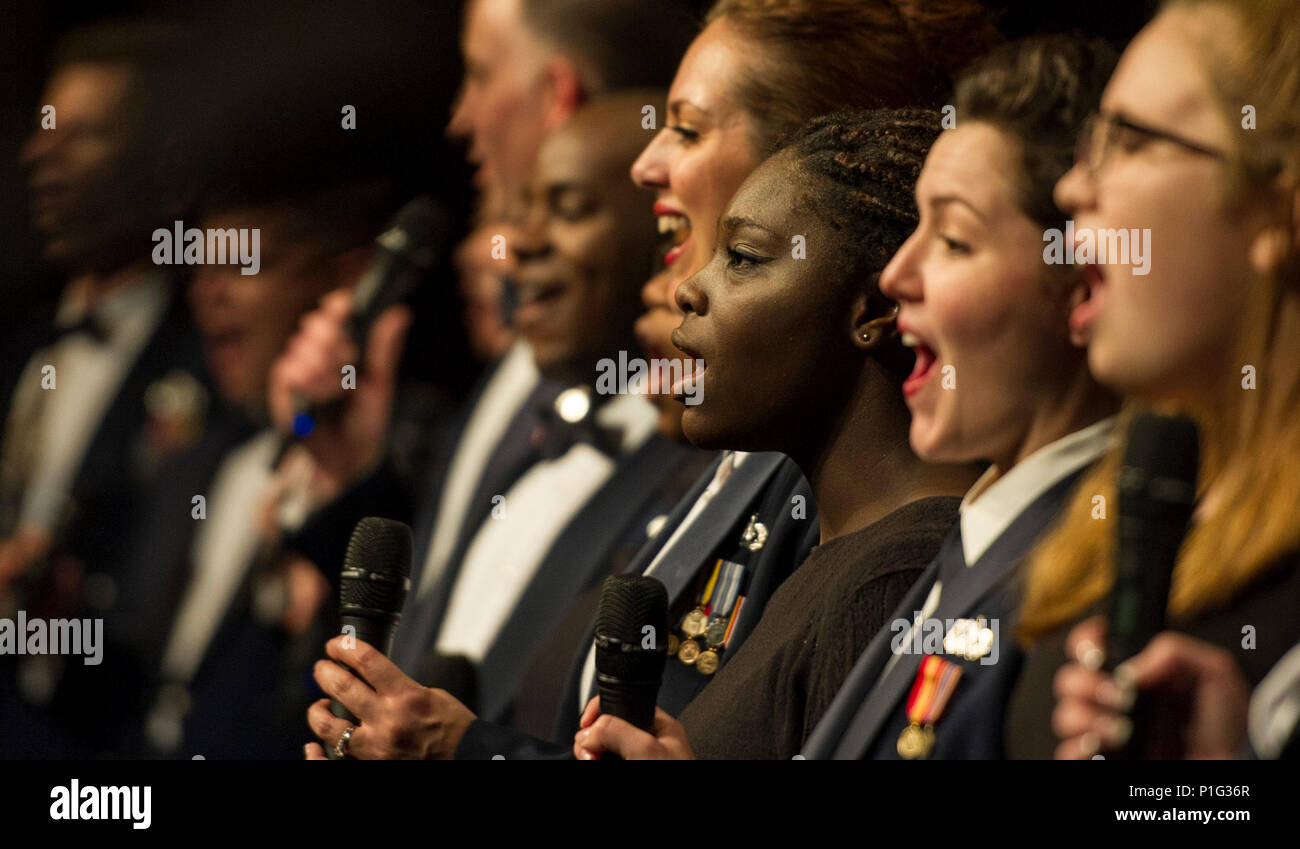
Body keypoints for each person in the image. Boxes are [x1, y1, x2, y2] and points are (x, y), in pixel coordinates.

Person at [571, 107, 981, 761]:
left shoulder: (885, 583)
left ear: (874, 308)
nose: (691, 288)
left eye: (742, 258)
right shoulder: (836, 561)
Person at [304, 93, 707, 758]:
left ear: (661, 238)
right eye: (521, 210)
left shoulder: (698, 463)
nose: (519, 241)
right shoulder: (515, 400)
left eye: (570, 209)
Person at [800, 34, 1121, 760]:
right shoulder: (982, 536)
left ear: (1082, 284)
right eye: (915, 226)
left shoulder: (1088, 593)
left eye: (954, 238)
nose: (897, 274)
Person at [1009, 0, 1300, 760]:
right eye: (1088, 144)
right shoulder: (1107, 518)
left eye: (1131, 143)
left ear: (1278, 202)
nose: (1073, 189)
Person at [0, 21, 211, 757]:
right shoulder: (22, 345)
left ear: (165, 163)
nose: (40, 158)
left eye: (81, 136)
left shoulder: (208, 367)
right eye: (42, 132)